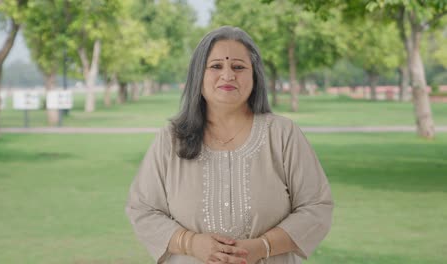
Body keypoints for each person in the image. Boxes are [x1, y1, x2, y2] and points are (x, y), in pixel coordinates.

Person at [125, 26, 333, 264]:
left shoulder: (282, 135)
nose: (228, 75)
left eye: (238, 67)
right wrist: (190, 243)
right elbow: (143, 209)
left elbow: (316, 207)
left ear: (254, 76)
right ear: (198, 76)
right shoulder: (172, 139)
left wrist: (261, 247)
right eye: (216, 66)